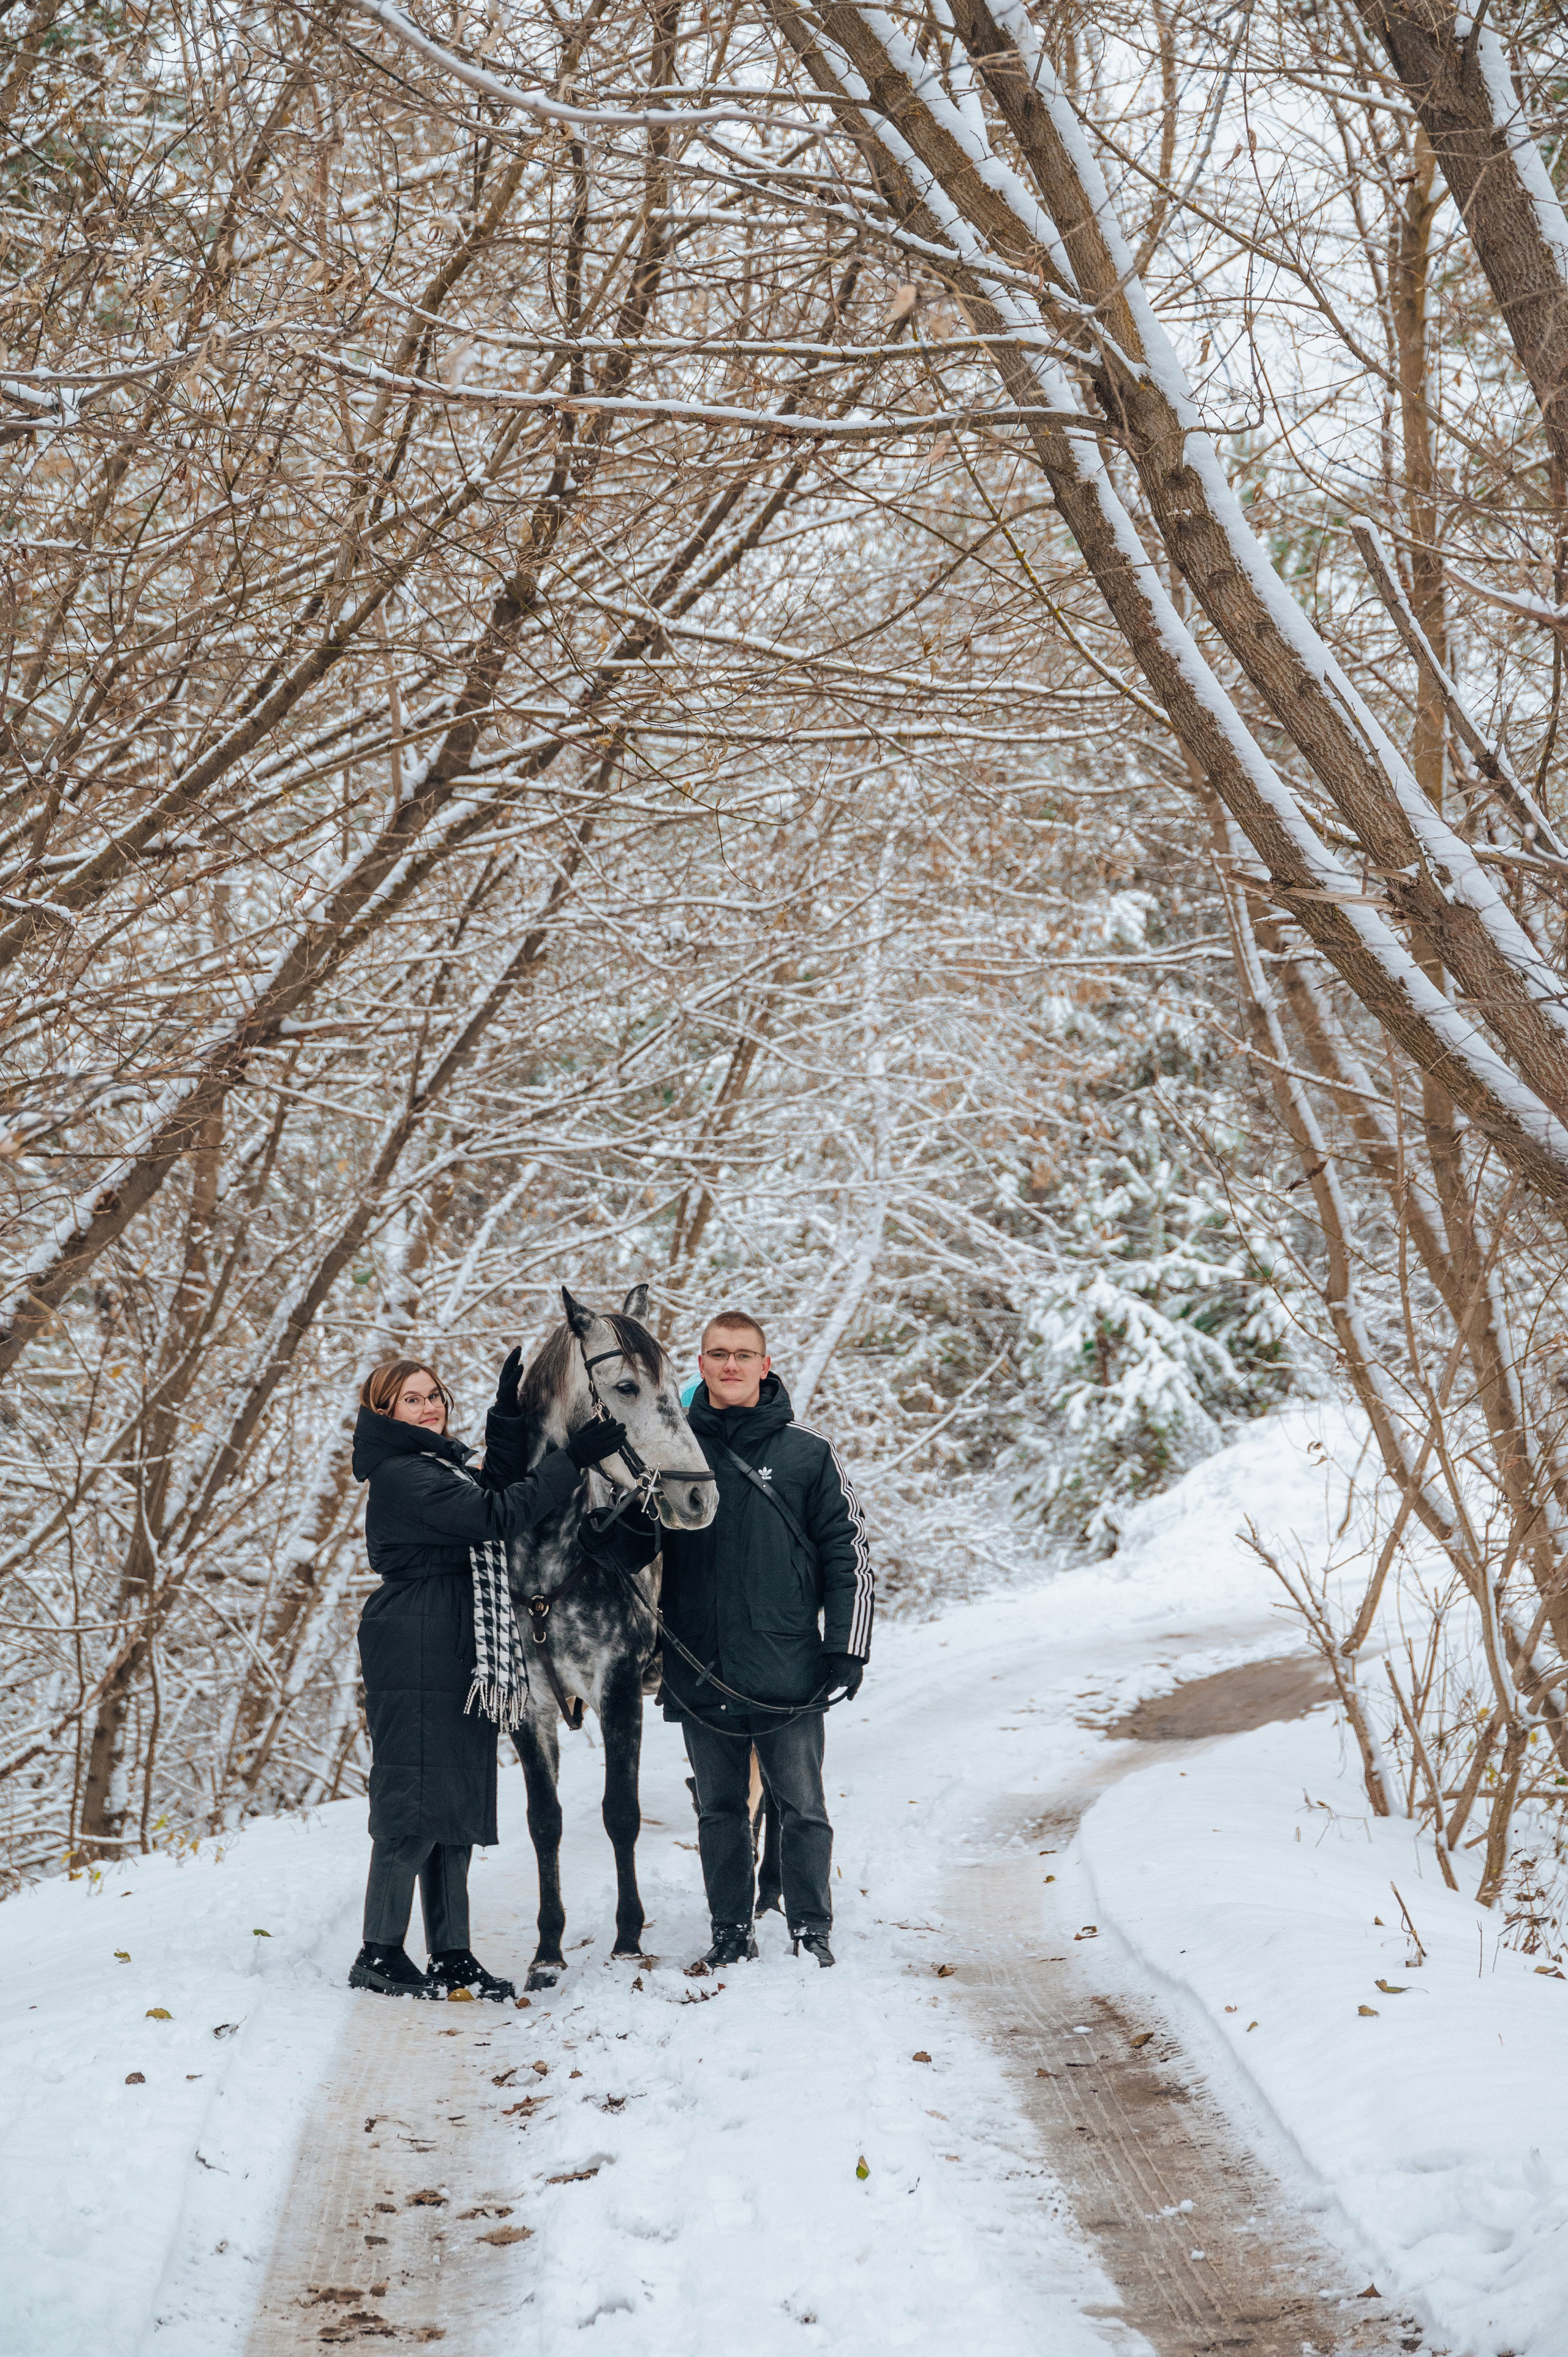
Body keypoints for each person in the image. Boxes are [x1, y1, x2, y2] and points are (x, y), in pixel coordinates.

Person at [349, 1354, 626, 2000]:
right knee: (416, 1794)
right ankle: (379, 1950)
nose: (429, 1406)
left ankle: (451, 1951)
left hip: (453, 1628)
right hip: (418, 1628)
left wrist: (504, 1415)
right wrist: (574, 1457)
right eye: (411, 1400)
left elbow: (494, 1485)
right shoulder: (401, 1474)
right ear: (385, 1414)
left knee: (454, 1793)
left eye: (433, 1394)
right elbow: (497, 1515)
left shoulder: (436, 1465)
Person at [659, 1311, 873, 1970]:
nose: (730, 1365)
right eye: (717, 1354)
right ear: (699, 1365)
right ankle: (729, 1931)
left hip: (789, 1664)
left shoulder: (807, 1452)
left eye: (743, 1354)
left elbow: (849, 1551)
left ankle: (811, 1928)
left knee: (802, 1805)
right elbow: (639, 1547)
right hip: (700, 1661)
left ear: (764, 1364)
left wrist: (847, 1645)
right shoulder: (669, 1451)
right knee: (719, 1811)